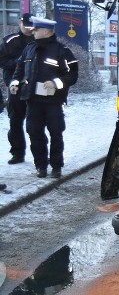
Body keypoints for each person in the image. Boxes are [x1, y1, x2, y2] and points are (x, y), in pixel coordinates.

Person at [9, 17, 78, 179]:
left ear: (47, 31)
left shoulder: (62, 50)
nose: (33, 32)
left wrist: (56, 83)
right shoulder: (29, 49)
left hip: (53, 102)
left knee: (56, 133)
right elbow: (19, 70)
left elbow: (73, 75)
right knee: (34, 133)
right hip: (32, 101)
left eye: (36, 30)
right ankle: (41, 166)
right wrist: (14, 83)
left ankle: (56, 166)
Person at [0, 13, 35, 164]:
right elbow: (2, 61)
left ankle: (39, 156)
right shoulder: (9, 41)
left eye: (30, 25)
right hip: (15, 86)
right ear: (20, 23)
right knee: (15, 121)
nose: (28, 28)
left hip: (34, 87)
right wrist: (19, 63)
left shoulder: (40, 41)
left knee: (36, 122)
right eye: (25, 24)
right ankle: (17, 153)